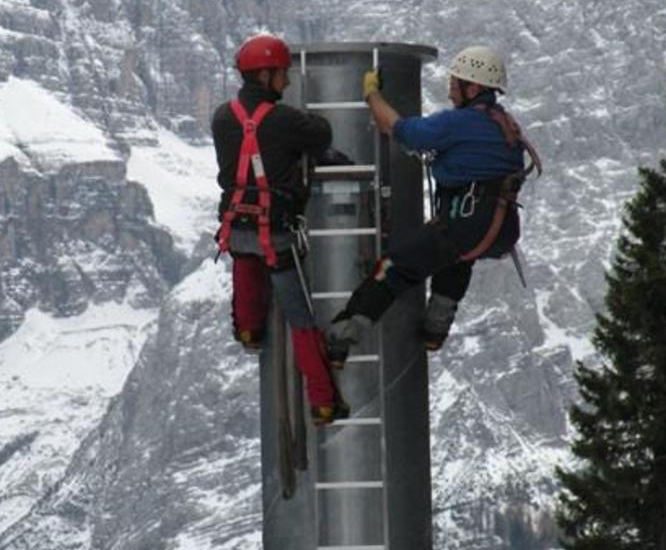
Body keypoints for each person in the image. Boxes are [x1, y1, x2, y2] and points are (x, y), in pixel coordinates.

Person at [326, 45, 542, 366]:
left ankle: (341, 334)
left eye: (456, 83)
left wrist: (372, 94)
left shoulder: (460, 123)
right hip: (498, 228)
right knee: (454, 260)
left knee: (396, 267)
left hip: (465, 222)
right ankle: (434, 331)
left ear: (474, 87)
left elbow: (396, 129)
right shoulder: (504, 124)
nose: (451, 90)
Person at [213, 33, 350, 426]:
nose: (287, 82)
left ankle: (249, 330)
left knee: (245, 263)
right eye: (283, 75)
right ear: (267, 75)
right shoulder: (287, 120)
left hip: (235, 224)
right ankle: (324, 401)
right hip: (275, 231)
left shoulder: (222, 117)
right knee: (300, 316)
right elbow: (320, 134)